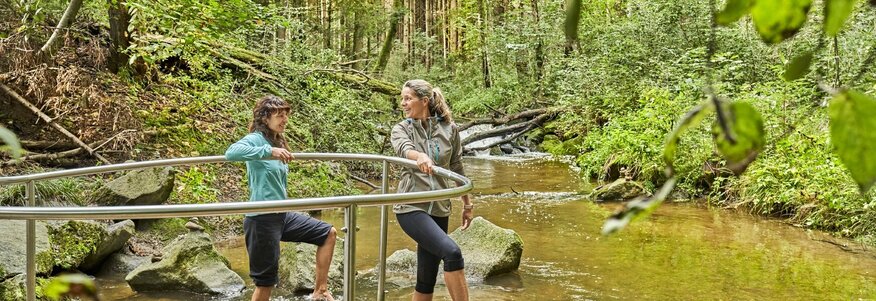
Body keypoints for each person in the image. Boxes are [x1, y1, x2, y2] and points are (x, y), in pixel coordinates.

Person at [225, 95, 338, 301]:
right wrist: (269, 151)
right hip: (261, 219)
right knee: (265, 284)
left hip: (282, 215)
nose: (284, 120)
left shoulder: (277, 139)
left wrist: (275, 148)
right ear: (265, 118)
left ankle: (320, 290)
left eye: (286, 115)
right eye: (279, 115)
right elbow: (231, 153)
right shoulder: (257, 139)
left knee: (328, 234)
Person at [390, 79, 474, 301]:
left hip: (440, 208)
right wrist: (420, 156)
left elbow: (457, 167)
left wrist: (467, 204)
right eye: (402, 99)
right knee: (452, 253)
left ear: (424, 101)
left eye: (408, 98)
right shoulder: (401, 129)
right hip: (410, 206)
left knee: (426, 280)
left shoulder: (449, 129)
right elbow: (404, 149)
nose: (403, 103)